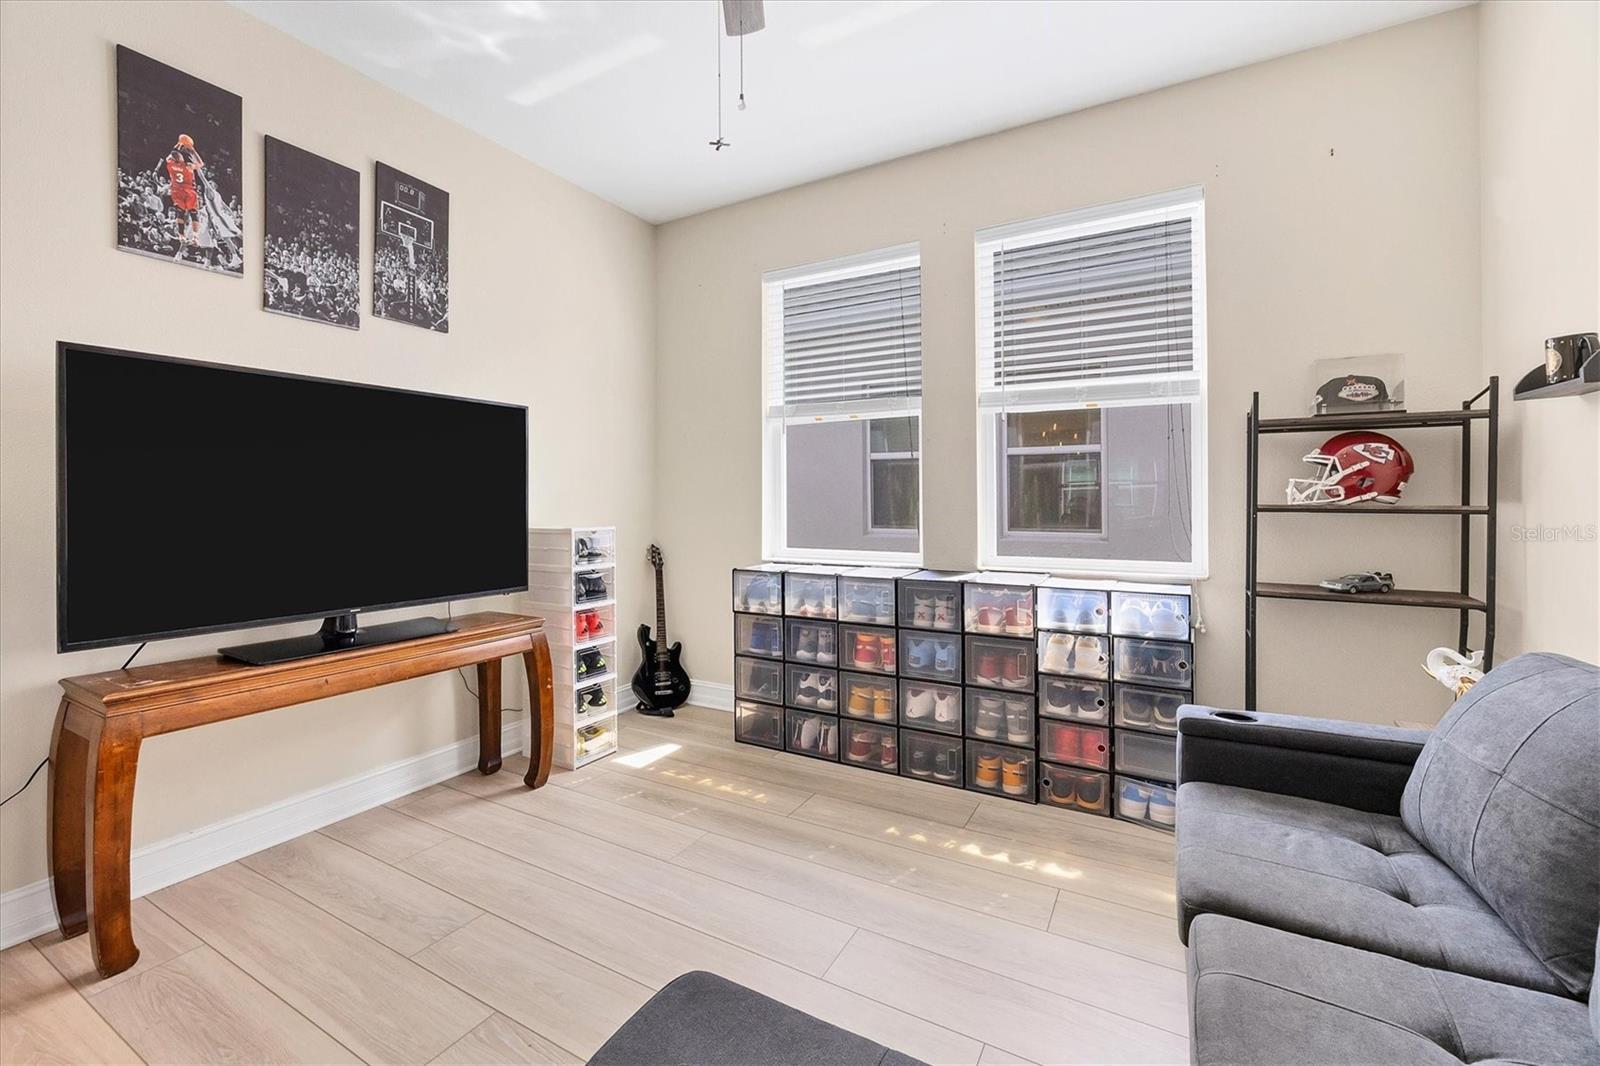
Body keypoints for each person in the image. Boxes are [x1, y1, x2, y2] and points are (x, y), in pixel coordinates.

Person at [157, 133, 204, 248]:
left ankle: (181, 236)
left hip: (176, 191)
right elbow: (201, 164)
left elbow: (171, 155)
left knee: (180, 213)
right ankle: (195, 238)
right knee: (194, 214)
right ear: (181, 158)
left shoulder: (170, 164)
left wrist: (179, 144)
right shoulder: (188, 166)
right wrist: (192, 151)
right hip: (189, 190)